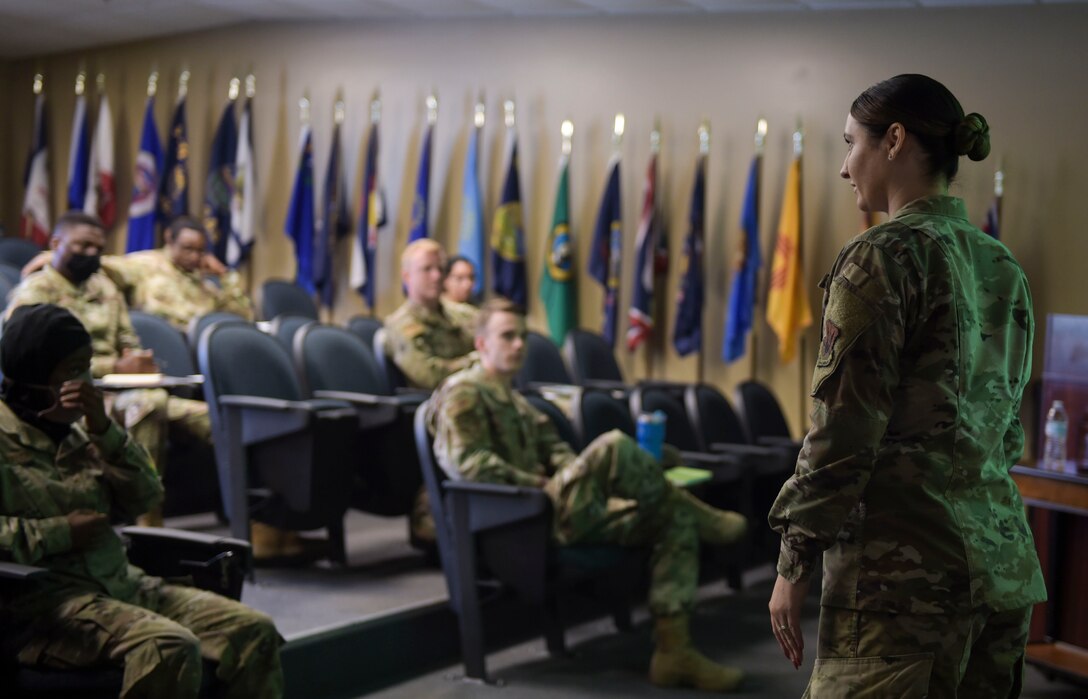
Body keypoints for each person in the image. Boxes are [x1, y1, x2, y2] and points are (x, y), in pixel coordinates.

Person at [767, 74, 1045, 697]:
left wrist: (793, 562)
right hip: (999, 572)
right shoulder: (1001, 265)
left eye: (850, 144)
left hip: (903, 586)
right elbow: (1006, 434)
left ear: (894, 140)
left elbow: (841, 431)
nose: (844, 168)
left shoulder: (882, 256)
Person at [429, 299, 749, 692]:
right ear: (481, 344)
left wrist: (569, 474)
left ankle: (673, 652)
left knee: (672, 519)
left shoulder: (518, 400)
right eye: (507, 336)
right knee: (613, 445)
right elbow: (466, 463)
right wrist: (537, 483)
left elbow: (556, 450)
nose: (518, 345)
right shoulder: (464, 393)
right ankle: (705, 517)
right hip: (518, 523)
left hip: (558, 509)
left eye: (522, 336)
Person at [0, 303, 284, 698]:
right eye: (71, 371)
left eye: (87, 367)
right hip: (46, 608)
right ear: (33, 377)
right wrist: (59, 533)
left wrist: (105, 431)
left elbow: (146, 496)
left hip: (119, 585)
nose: (84, 381)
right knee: (166, 648)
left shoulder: (77, 432)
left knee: (254, 632)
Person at [6, 211, 210, 528]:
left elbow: (126, 336)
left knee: (213, 417)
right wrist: (114, 364)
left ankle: (262, 518)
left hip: (123, 388)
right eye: (82, 246)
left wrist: (134, 355)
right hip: (69, 395)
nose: (91, 254)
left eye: (98, 248)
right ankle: (145, 518)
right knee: (148, 403)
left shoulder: (104, 287)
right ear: (56, 243)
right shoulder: (35, 294)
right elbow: (32, 365)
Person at [20, 216, 255, 331]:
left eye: (199, 251)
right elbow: (104, 263)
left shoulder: (206, 282)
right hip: (166, 343)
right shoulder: (146, 264)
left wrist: (225, 275)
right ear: (169, 241)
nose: (194, 257)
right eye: (187, 249)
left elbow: (242, 316)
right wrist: (54, 256)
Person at [384, 239, 477, 391]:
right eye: (427, 269)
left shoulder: (464, 314)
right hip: (439, 405)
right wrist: (479, 363)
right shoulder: (400, 325)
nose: (437, 276)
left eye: (441, 269)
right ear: (407, 276)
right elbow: (431, 377)